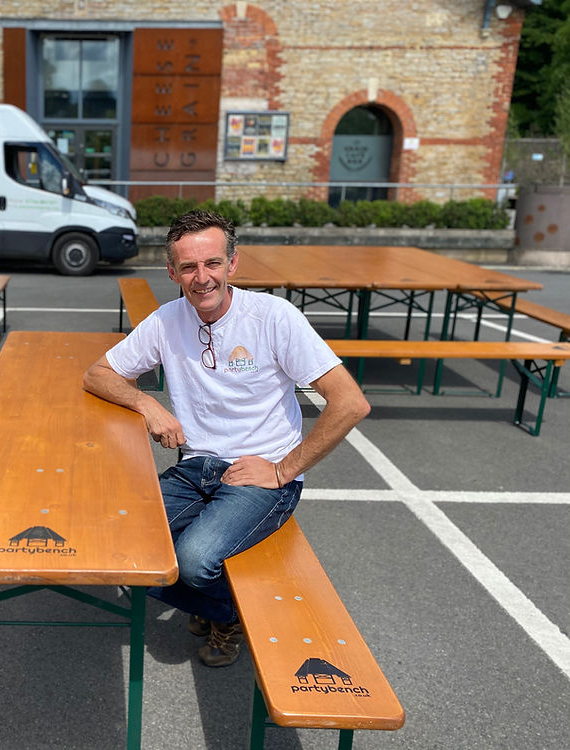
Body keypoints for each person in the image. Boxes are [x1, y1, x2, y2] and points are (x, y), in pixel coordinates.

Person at [83, 210, 370, 667]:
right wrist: (148, 405)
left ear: (232, 264)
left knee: (193, 560)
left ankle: (224, 614)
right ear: (172, 273)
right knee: (118, 538)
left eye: (213, 263)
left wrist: (283, 469)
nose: (202, 278)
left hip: (259, 477)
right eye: (190, 268)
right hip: (195, 466)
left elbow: (350, 402)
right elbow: (98, 374)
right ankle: (211, 603)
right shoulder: (167, 320)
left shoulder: (273, 316)